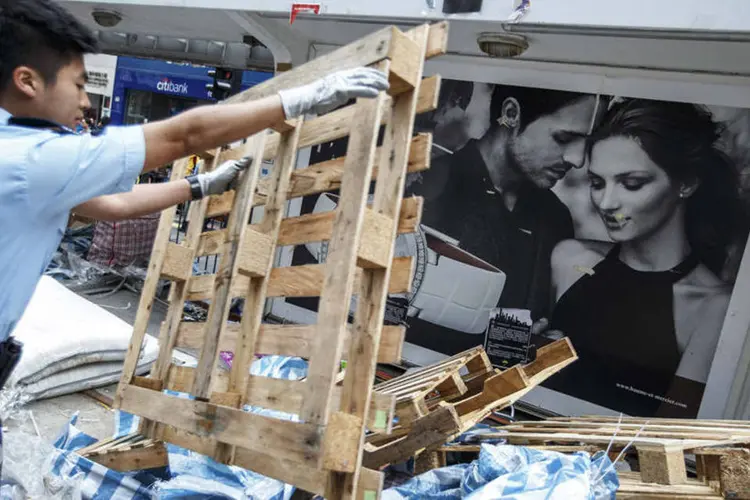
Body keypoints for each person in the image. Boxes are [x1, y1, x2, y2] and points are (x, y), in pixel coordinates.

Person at [0, 0, 389, 458]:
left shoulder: (15, 144)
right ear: (27, 81)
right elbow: (182, 136)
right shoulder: (36, 159)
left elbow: (110, 205)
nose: (86, 101)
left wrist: (196, 186)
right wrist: (299, 98)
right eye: (79, 85)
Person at [540, 98, 749, 417]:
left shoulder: (713, 307)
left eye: (632, 183)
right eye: (597, 183)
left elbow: (668, 436)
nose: (606, 202)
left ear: (686, 183)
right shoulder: (569, 259)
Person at [403, 83, 604, 354]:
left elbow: (541, 322)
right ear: (511, 113)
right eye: (564, 139)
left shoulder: (555, 217)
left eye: (586, 146)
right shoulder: (428, 184)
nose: (577, 160)